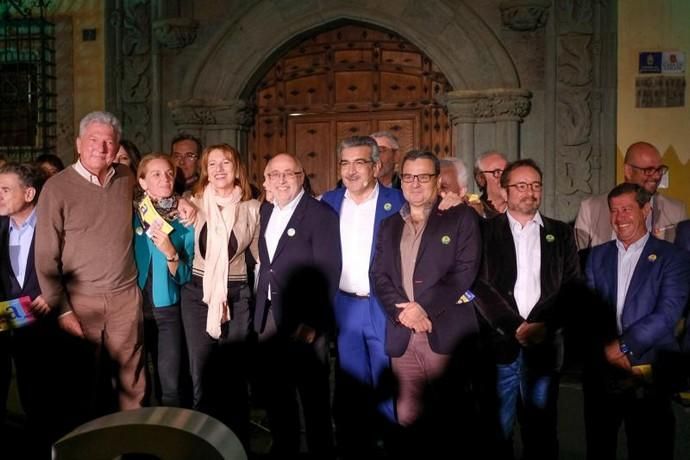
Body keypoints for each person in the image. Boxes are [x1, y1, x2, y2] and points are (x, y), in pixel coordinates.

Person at [35, 111, 146, 414]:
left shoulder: (126, 178)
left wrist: (184, 204)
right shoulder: (56, 188)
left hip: (125, 297)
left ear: (117, 145)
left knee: (131, 381)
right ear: (79, 144)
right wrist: (63, 310)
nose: (101, 147)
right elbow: (46, 257)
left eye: (108, 141)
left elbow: (159, 201)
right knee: (80, 384)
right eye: (94, 140)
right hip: (81, 303)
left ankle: (130, 445)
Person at [371, 150, 481, 456]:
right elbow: (378, 275)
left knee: (452, 419)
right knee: (407, 418)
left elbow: (465, 270)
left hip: (445, 331)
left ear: (437, 181)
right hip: (403, 335)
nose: (415, 184)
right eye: (408, 177)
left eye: (423, 176)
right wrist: (404, 313)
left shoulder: (460, 217)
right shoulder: (389, 224)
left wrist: (423, 307)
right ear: (400, 180)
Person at [473, 159, 580, 459]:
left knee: (542, 432)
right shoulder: (484, 232)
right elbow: (478, 284)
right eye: (521, 186)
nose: (529, 192)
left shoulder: (560, 233)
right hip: (499, 347)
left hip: (544, 347)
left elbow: (571, 287)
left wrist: (542, 325)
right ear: (505, 192)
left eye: (535, 185)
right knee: (496, 431)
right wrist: (514, 326)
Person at [583, 182, 690, 460]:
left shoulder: (673, 257)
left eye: (627, 209)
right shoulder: (597, 256)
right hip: (603, 370)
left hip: (649, 368)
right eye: (614, 211)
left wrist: (622, 347)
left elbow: (668, 312)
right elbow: (590, 312)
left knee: (649, 447)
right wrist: (605, 351)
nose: (620, 218)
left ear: (646, 210)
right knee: (599, 445)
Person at [321, 136, 405, 457]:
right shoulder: (327, 202)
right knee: (352, 388)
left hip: (383, 307)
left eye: (359, 162)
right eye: (345, 163)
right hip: (344, 306)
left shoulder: (397, 202)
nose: (351, 170)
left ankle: (391, 446)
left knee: (388, 385)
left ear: (376, 166)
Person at [254, 153, 341, 458]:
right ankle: (284, 448)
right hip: (269, 316)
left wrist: (313, 323)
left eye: (288, 174)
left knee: (313, 398)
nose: (281, 180)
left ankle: (320, 452)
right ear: (265, 180)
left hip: (304, 322)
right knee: (278, 395)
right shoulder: (265, 211)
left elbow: (329, 272)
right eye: (274, 174)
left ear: (301, 177)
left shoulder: (321, 215)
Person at [182, 143, 259, 447]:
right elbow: (159, 205)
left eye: (225, 163)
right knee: (201, 374)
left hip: (237, 293)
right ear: (205, 171)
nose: (219, 169)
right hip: (198, 293)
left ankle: (236, 445)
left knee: (233, 376)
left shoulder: (252, 207)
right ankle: (203, 445)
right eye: (212, 164)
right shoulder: (196, 202)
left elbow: (260, 256)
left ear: (236, 167)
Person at [0, 163, 61, 455]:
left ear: (29, 193)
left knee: (46, 404)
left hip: (51, 328)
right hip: (10, 325)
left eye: (5, 190)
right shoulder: (0, 226)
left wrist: (53, 296)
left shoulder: (53, 224)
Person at [133, 154, 194, 407]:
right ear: (142, 181)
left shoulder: (186, 219)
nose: (165, 178)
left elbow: (186, 275)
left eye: (169, 173)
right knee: (135, 386)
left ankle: (173, 442)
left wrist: (170, 253)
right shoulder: (131, 213)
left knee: (170, 386)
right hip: (132, 309)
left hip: (167, 309)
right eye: (156, 174)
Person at [575, 141, 687, 250]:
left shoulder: (676, 210)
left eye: (659, 170)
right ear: (628, 171)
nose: (657, 176)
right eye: (648, 170)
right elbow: (578, 259)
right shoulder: (590, 208)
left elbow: (683, 261)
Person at [472, 150, 509, 218]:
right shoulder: (473, 212)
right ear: (481, 179)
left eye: (507, 171)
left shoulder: (522, 209)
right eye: (497, 172)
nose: (505, 177)